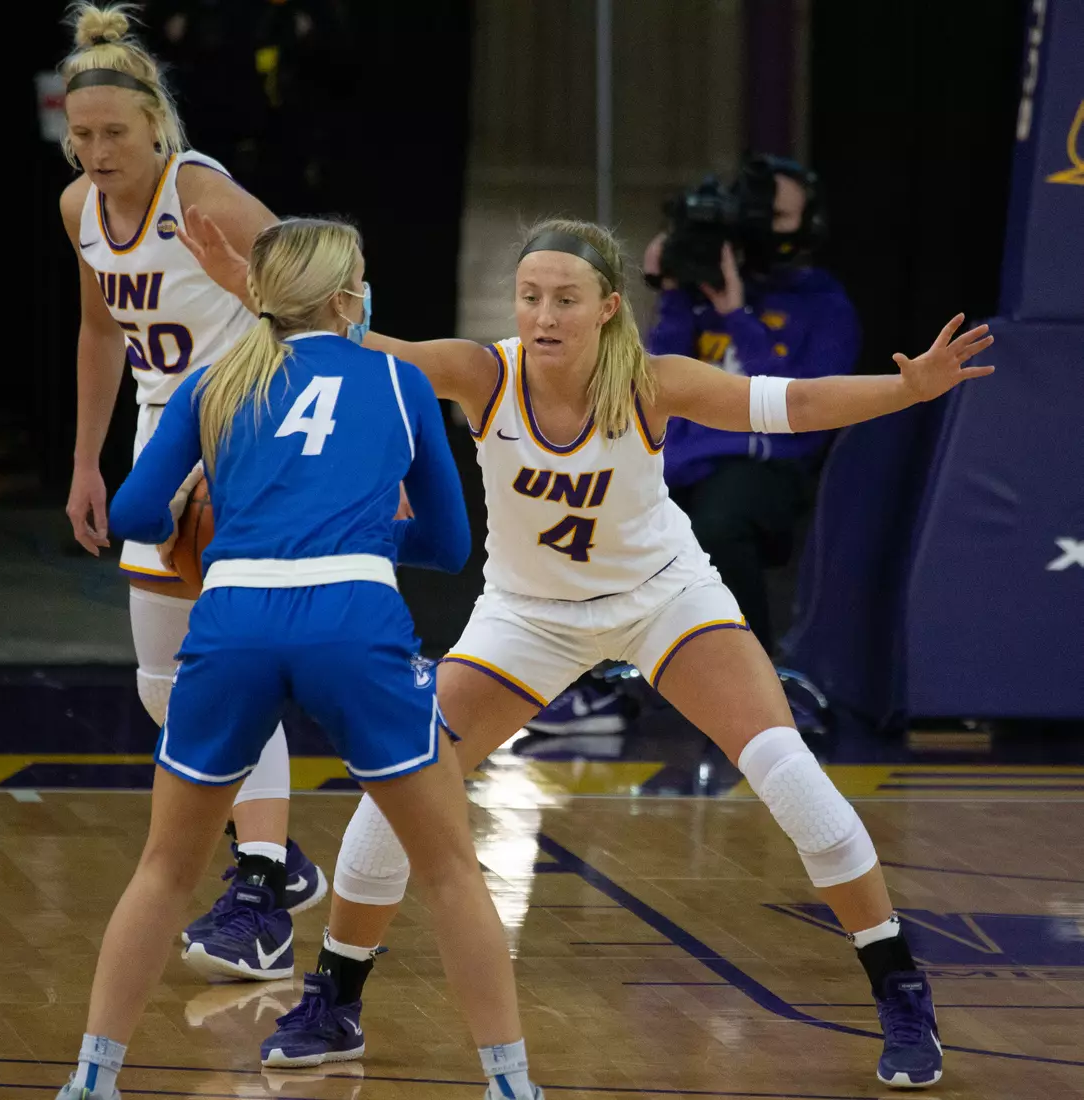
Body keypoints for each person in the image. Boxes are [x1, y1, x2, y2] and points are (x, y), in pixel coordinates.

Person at [180, 208, 992, 1088]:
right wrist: (247, 286)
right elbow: (344, 342)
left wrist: (906, 389)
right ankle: (336, 999)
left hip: (663, 601)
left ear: (608, 305)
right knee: (393, 801)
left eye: (565, 299)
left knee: (789, 774)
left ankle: (900, 987)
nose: (544, 316)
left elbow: (789, 405)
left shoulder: (651, 381)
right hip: (525, 616)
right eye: (530, 297)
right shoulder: (484, 373)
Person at [56, 216, 545, 1100]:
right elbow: (447, 543)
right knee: (447, 868)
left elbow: (130, 513)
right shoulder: (397, 380)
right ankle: (510, 1085)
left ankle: (91, 1078)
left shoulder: (214, 381)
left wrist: (188, 519)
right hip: (353, 614)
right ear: (345, 296)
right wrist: (362, 527)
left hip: (233, 613)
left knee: (164, 870)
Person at [57, 2, 326, 977]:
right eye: (80, 134)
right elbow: (100, 333)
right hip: (159, 445)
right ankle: (279, 856)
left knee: (229, 674)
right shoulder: (78, 209)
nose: (94, 151)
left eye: (113, 133)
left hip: (244, 437)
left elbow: (332, 289)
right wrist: (89, 460)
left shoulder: (198, 190)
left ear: (155, 128)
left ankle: (257, 889)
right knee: (163, 683)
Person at [527, 159, 857, 739]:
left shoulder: (822, 303)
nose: (760, 226)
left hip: (764, 468)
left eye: (776, 215)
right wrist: (675, 293)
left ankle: (754, 686)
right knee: (570, 507)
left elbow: (797, 408)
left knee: (720, 521)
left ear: (808, 225)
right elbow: (650, 378)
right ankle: (593, 685)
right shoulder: (704, 287)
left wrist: (738, 315)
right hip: (677, 464)